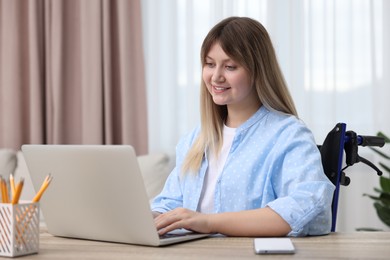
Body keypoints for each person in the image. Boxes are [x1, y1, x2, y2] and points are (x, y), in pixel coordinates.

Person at [151, 16, 335, 237]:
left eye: (229, 66)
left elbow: (306, 204)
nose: (216, 76)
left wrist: (209, 222)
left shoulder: (288, 135)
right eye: (210, 64)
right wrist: (147, 218)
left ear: (258, 70)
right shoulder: (195, 140)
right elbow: (171, 202)